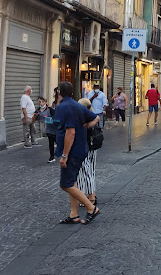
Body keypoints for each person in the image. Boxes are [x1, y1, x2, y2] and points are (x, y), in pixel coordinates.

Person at [55, 81, 99, 225]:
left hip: (72, 152)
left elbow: (70, 132)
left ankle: (91, 207)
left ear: (59, 92)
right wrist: (85, 126)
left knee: (65, 184)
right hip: (81, 149)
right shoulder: (78, 106)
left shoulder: (62, 107)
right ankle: (73, 214)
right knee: (72, 182)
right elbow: (95, 118)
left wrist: (64, 155)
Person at [76, 98, 99, 208]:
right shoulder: (92, 114)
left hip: (83, 147)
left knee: (83, 172)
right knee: (91, 171)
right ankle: (91, 195)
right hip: (93, 146)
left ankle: (89, 197)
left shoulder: (83, 117)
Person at [35, 97, 57, 162]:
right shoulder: (37, 110)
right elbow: (34, 119)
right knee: (51, 143)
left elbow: (55, 119)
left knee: (58, 142)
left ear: (45, 102)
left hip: (54, 128)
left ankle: (65, 155)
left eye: (42, 102)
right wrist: (35, 116)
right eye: (40, 102)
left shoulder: (50, 109)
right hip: (48, 129)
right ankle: (52, 157)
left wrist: (46, 120)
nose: (41, 103)